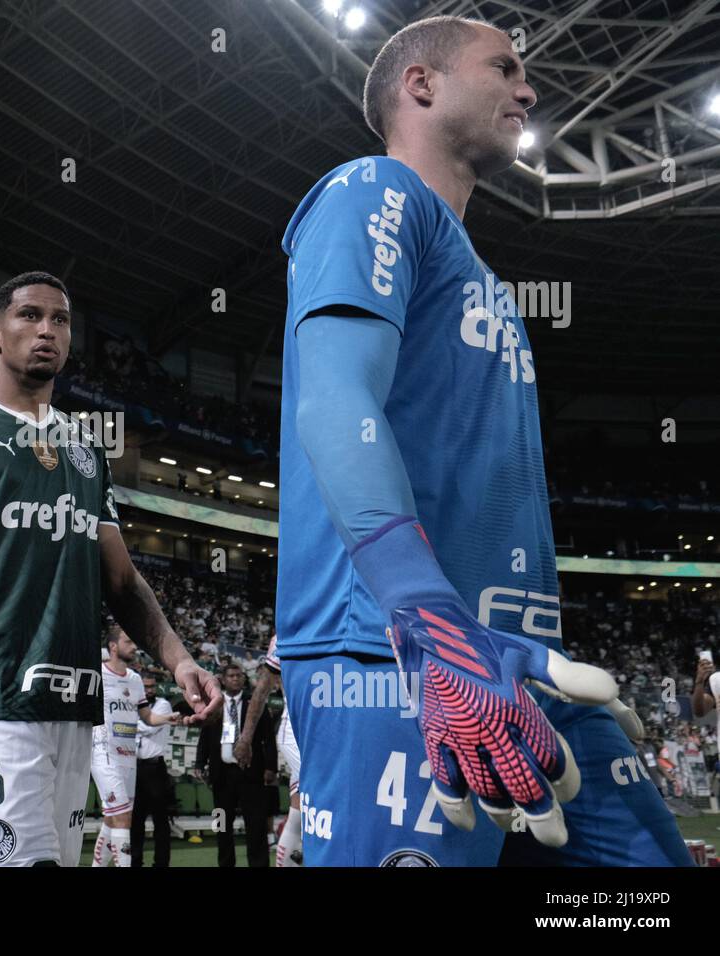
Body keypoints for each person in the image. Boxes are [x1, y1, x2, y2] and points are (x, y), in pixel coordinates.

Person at [275, 15, 690, 865]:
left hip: (516, 666)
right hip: (396, 660)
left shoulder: (487, 282)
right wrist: (429, 619)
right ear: (421, 86)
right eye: (504, 68)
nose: (529, 89)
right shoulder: (372, 191)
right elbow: (332, 402)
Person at [0, 272, 220, 866]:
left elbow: (123, 582)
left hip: (76, 713)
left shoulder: (85, 451)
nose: (46, 330)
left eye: (59, 319)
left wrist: (180, 660)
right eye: (29, 316)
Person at [90, 625, 181, 867]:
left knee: (112, 819)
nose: (134, 646)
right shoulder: (97, 674)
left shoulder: (135, 679)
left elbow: (147, 717)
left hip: (129, 758)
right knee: (123, 817)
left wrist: (168, 718)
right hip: (104, 752)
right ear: (113, 647)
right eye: (128, 642)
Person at [195, 663, 276, 867]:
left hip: (251, 773)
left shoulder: (255, 703)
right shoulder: (213, 703)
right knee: (221, 824)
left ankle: (258, 865)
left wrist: (271, 767)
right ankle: (225, 864)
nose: (236, 679)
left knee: (256, 825)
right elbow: (204, 736)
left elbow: (269, 738)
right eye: (231, 675)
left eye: (239, 675)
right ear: (222, 679)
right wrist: (199, 762)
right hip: (221, 775)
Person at [235, 642, 302, 866]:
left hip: (330, 733)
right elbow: (262, 689)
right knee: (323, 803)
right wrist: (245, 738)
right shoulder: (287, 629)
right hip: (297, 731)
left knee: (299, 812)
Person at [130, 673, 177, 866]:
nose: (149, 690)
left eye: (152, 686)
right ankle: (135, 861)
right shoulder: (134, 705)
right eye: (145, 686)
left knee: (160, 821)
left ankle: (161, 862)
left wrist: (132, 723)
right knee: (136, 820)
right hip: (134, 767)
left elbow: (149, 727)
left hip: (155, 768)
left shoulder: (163, 705)